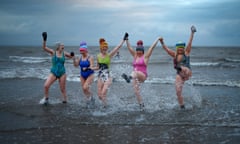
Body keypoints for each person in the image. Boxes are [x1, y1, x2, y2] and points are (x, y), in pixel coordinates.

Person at [159, 26, 197, 109]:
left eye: (181, 48)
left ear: (183, 48)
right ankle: (182, 106)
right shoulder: (174, 54)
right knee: (178, 91)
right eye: (179, 48)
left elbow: (190, 42)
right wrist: (162, 42)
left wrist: (192, 33)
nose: (180, 49)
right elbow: (166, 49)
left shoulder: (186, 52)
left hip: (187, 72)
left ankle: (179, 68)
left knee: (183, 68)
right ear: (177, 48)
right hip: (179, 74)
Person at [121, 33, 160, 111]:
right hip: (135, 76)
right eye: (137, 50)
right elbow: (129, 48)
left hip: (142, 75)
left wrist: (158, 39)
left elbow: (151, 48)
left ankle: (129, 78)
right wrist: (127, 39)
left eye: (140, 51)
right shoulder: (135, 56)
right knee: (136, 91)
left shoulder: (145, 57)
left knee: (135, 72)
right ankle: (141, 105)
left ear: (142, 51)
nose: (138, 52)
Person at [39, 32, 74, 105]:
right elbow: (44, 48)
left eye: (63, 46)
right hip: (54, 72)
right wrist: (44, 39)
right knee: (46, 85)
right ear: (58, 47)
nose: (63, 46)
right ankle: (46, 99)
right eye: (62, 45)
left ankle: (65, 101)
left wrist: (72, 55)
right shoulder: (53, 52)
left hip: (62, 73)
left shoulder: (64, 53)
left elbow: (71, 57)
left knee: (62, 89)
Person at [94, 34, 127, 108]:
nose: (105, 49)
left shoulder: (109, 55)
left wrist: (123, 40)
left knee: (103, 93)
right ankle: (105, 105)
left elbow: (117, 47)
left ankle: (105, 107)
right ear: (101, 48)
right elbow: (97, 67)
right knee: (100, 95)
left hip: (107, 76)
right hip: (100, 76)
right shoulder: (98, 56)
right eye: (104, 48)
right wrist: (90, 68)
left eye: (106, 48)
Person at [73, 41, 95, 108]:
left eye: (83, 51)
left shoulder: (90, 57)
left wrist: (87, 68)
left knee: (85, 87)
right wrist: (74, 59)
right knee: (84, 89)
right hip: (82, 75)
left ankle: (91, 98)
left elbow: (92, 66)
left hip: (90, 75)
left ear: (86, 50)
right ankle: (89, 99)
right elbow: (76, 65)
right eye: (81, 51)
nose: (81, 52)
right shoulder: (80, 57)